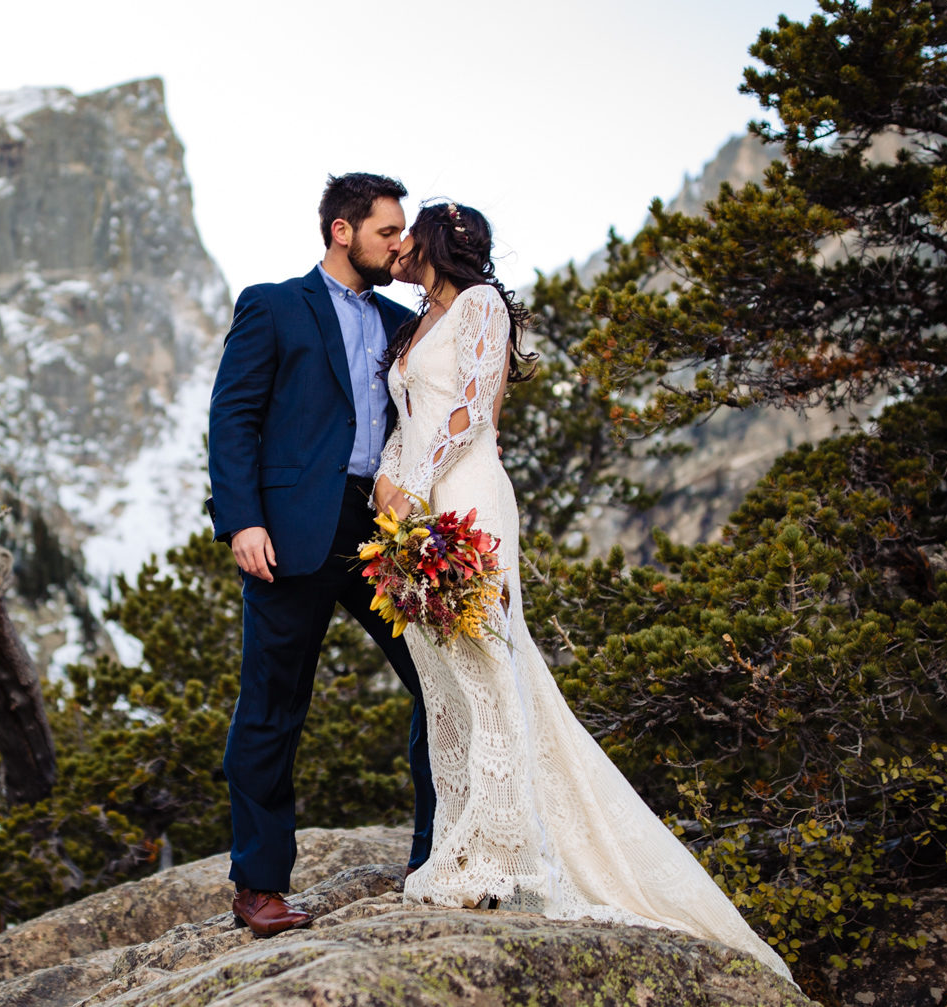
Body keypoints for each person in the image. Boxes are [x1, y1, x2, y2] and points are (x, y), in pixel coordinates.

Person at [369, 199, 793, 982]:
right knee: (444, 680)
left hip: (467, 497)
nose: (399, 247)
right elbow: (412, 410)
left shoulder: (482, 305)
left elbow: (469, 410)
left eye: (410, 235)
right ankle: (463, 840)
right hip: (415, 505)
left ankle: (506, 851)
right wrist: (389, 484)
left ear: (435, 242)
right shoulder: (415, 323)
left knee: (492, 666)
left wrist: (421, 484)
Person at [206, 173, 439, 938]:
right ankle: (260, 885)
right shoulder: (272, 304)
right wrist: (242, 521)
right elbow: (233, 417)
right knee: (273, 707)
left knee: (438, 683)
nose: (399, 243)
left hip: (384, 530)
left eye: (403, 232)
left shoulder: (406, 321)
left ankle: (436, 856)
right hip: (290, 531)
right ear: (342, 231)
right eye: (387, 231)